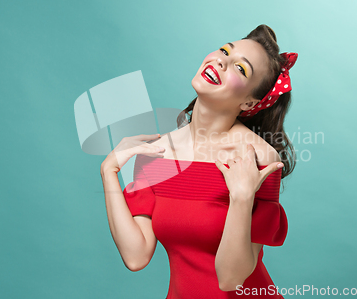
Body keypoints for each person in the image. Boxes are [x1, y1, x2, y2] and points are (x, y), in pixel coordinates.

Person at [100, 24, 298, 298]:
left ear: (250, 103)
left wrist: (241, 198)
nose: (221, 61)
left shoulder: (258, 157)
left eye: (240, 68)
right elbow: (136, 256)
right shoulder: (155, 154)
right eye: (223, 51)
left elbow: (231, 279)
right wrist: (108, 172)